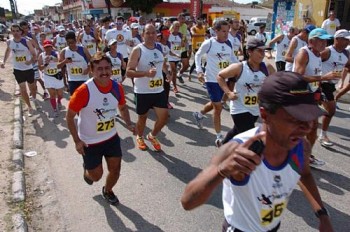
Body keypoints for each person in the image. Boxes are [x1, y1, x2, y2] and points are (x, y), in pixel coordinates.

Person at [181, 71, 334, 232]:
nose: (306, 127)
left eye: (308, 117)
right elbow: (187, 202)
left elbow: (304, 174)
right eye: (294, 119)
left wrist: (322, 214)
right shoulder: (237, 150)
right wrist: (222, 171)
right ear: (264, 114)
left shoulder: (300, 146)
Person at [66, 52, 134, 205]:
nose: (104, 72)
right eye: (99, 69)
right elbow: (69, 117)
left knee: (115, 170)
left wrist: (129, 123)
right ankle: (88, 170)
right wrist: (77, 141)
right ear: (91, 70)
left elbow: (122, 108)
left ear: (112, 69)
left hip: (111, 138)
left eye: (107, 68)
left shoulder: (117, 88)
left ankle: (108, 190)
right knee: (95, 176)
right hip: (89, 142)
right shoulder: (83, 91)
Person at [293, 28, 339, 167]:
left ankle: (306, 155)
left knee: (312, 127)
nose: (324, 43)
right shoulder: (304, 53)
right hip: (300, 95)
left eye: (325, 40)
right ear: (311, 41)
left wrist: (319, 93)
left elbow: (315, 77)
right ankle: (293, 156)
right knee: (301, 128)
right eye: (321, 40)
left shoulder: (318, 54)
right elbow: (298, 77)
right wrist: (324, 77)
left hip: (312, 95)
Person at [217, 38, 275, 145]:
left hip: (255, 108)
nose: (262, 54)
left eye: (264, 51)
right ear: (250, 51)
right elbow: (220, 76)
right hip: (239, 108)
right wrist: (228, 93)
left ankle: (223, 144)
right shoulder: (239, 67)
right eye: (259, 51)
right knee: (252, 139)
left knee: (237, 130)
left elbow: (277, 83)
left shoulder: (267, 68)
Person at [192, 20, 238, 147]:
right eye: (223, 31)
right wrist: (199, 71)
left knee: (215, 103)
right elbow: (198, 55)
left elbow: (233, 58)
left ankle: (199, 114)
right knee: (218, 107)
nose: (226, 34)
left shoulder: (229, 43)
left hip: (224, 79)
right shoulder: (209, 43)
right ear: (216, 31)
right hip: (211, 79)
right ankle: (219, 136)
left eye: (227, 31)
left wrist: (241, 68)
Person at [126, 24, 169, 152]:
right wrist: (145, 73)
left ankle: (152, 135)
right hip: (143, 91)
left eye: (153, 33)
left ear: (157, 34)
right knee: (142, 118)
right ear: (143, 34)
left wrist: (168, 73)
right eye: (148, 33)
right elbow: (129, 72)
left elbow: (163, 64)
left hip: (158, 90)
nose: (151, 35)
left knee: (164, 117)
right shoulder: (138, 50)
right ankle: (140, 136)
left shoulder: (160, 48)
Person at [318, 29, 350, 147]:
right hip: (322, 84)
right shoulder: (327, 52)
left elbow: (347, 66)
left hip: (332, 85)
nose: (348, 42)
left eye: (348, 40)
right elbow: (313, 62)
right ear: (337, 39)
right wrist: (318, 79)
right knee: (331, 110)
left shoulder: (346, 54)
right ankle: (322, 135)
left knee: (327, 110)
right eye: (345, 39)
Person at [1, 24, 37, 117]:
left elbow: (34, 54)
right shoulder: (9, 42)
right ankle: (29, 107)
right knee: (23, 89)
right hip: (17, 69)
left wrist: (30, 61)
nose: (16, 33)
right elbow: (8, 51)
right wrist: (3, 62)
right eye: (13, 31)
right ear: (11, 32)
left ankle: (33, 97)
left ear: (21, 32)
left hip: (28, 69)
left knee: (32, 87)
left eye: (17, 31)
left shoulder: (26, 41)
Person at [57, 31, 91, 95]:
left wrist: (88, 69)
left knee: (85, 98)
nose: (70, 44)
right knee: (74, 99)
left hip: (84, 78)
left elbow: (91, 60)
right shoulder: (64, 51)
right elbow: (58, 66)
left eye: (72, 42)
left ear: (75, 41)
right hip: (72, 79)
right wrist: (65, 61)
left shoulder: (83, 49)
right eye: (68, 43)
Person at [38, 40, 64, 117]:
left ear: (52, 47)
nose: (48, 48)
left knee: (60, 94)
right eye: (46, 47)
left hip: (57, 76)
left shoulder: (56, 53)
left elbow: (60, 61)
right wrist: (46, 63)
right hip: (48, 76)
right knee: (52, 94)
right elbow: (40, 68)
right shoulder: (41, 56)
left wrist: (53, 58)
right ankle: (55, 109)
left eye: (49, 46)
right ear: (44, 48)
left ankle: (59, 101)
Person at [105, 16, 132, 82]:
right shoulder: (109, 32)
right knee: (112, 73)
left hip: (124, 56)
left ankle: (119, 84)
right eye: (117, 23)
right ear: (115, 23)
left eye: (120, 23)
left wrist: (129, 43)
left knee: (123, 74)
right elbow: (105, 42)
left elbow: (131, 43)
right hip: (112, 56)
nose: (118, 25)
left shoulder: (128, 32)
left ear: (123, 23)